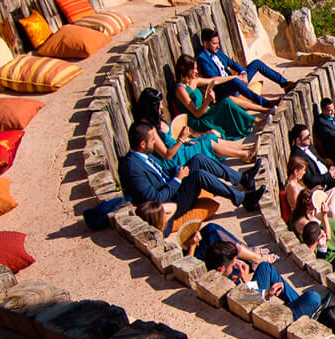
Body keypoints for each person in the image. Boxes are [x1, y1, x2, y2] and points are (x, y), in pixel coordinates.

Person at [121, 121, 262, 223]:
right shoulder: (133, 169)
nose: (155, 144)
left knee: (198, 159)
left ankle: (242, 179)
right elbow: (156, 199)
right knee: (198, 176)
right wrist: (177, 180)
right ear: (143, 144)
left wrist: (177, 172)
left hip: (171, 185)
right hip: (172, 202)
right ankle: (243, 199)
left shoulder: (142, 155)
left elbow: (161, 173)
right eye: (152, 140)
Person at [198, 239, 335, 323]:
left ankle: (301, 305)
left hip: (252, 299)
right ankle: (306, 310)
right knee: (313, 297)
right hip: (263, 315)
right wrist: (262, 291)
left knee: (265, 267)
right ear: (222, 268)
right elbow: (246, 303)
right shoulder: (222, 285)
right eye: (233, 264)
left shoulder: (215, 275)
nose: (237, 265)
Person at [195, 28, 292, 107]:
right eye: (214, 43)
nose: (218, 46)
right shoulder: (202, 58)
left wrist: (243, 73)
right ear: (205, 43)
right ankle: (266, 103)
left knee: (256, 63)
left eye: (218, 43)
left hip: (235, 81)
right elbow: (215, 80)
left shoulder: (217, 51)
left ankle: (285, 84)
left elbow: (232, 63)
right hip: (223, 89)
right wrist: (236, 78)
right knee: (235, 81)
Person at [174, 54, 260, 140]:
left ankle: (255, 120)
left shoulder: (193, 81)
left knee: (226, 101)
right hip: (198, 121)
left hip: (206, 112)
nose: (196, 71)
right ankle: (256, 121)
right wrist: (207, 101)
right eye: (193, 69)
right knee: (226, 102)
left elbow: (214, 80)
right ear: (184, 69)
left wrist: (234, 77)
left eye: (196, 68)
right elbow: (196, 114)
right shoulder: (181, 90)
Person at [282, 154, 335, 229]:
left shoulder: (296, 181)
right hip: (310, 210)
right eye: (303, 170)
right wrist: (312, 201)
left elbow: (303, 195)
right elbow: (299, 208)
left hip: (310, 202)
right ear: (296, 171)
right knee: (332, 210)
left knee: (334, 191)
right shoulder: (292, 188)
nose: (304, 173)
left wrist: (312, 191)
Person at [290, 123, 335, 193]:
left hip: (327, 172)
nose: (310, 138)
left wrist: (331, 167)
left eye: (309, 135)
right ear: (298, 140)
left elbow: (320, 160)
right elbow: (311, 180)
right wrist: (328, 175)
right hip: (323, 181)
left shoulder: (309, 146)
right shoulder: (297, 157)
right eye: (306, 137)